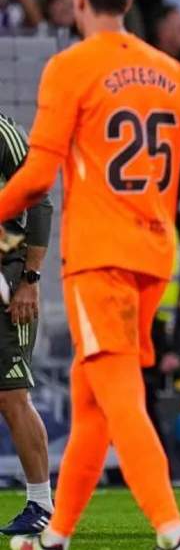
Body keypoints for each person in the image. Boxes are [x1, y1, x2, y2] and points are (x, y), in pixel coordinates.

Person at [1, 0, 180, 549]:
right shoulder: (172, 71)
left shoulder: (71, 65)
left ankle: (172, 532)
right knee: (91, 402)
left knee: (120, 395)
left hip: (99, 258)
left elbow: (33, 182)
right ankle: (55, 534)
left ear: (79, 0)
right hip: (156, 258)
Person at [0, 113, 54, 537]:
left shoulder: (4, 132)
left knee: (12, 393)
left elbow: (39, 199)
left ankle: (41, 504)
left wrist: (29, 281)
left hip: (8, 279)